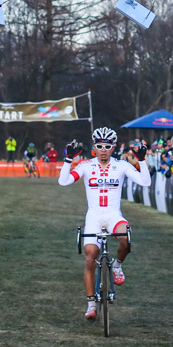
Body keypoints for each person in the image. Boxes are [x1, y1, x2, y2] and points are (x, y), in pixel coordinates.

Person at [57, 127, 151, 321]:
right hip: (94, 216)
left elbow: (145, 182)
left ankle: (117, 265)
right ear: (94, 147)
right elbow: (63, 181)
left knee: (126, 237)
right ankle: (91, 303)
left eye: (107, 146)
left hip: (113, 215)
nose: (103, 150)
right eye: (99, 146)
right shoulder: (86, 165)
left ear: (113, 147)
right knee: (91, 257)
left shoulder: (122, 165)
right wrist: (68, 160)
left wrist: (142, 160)